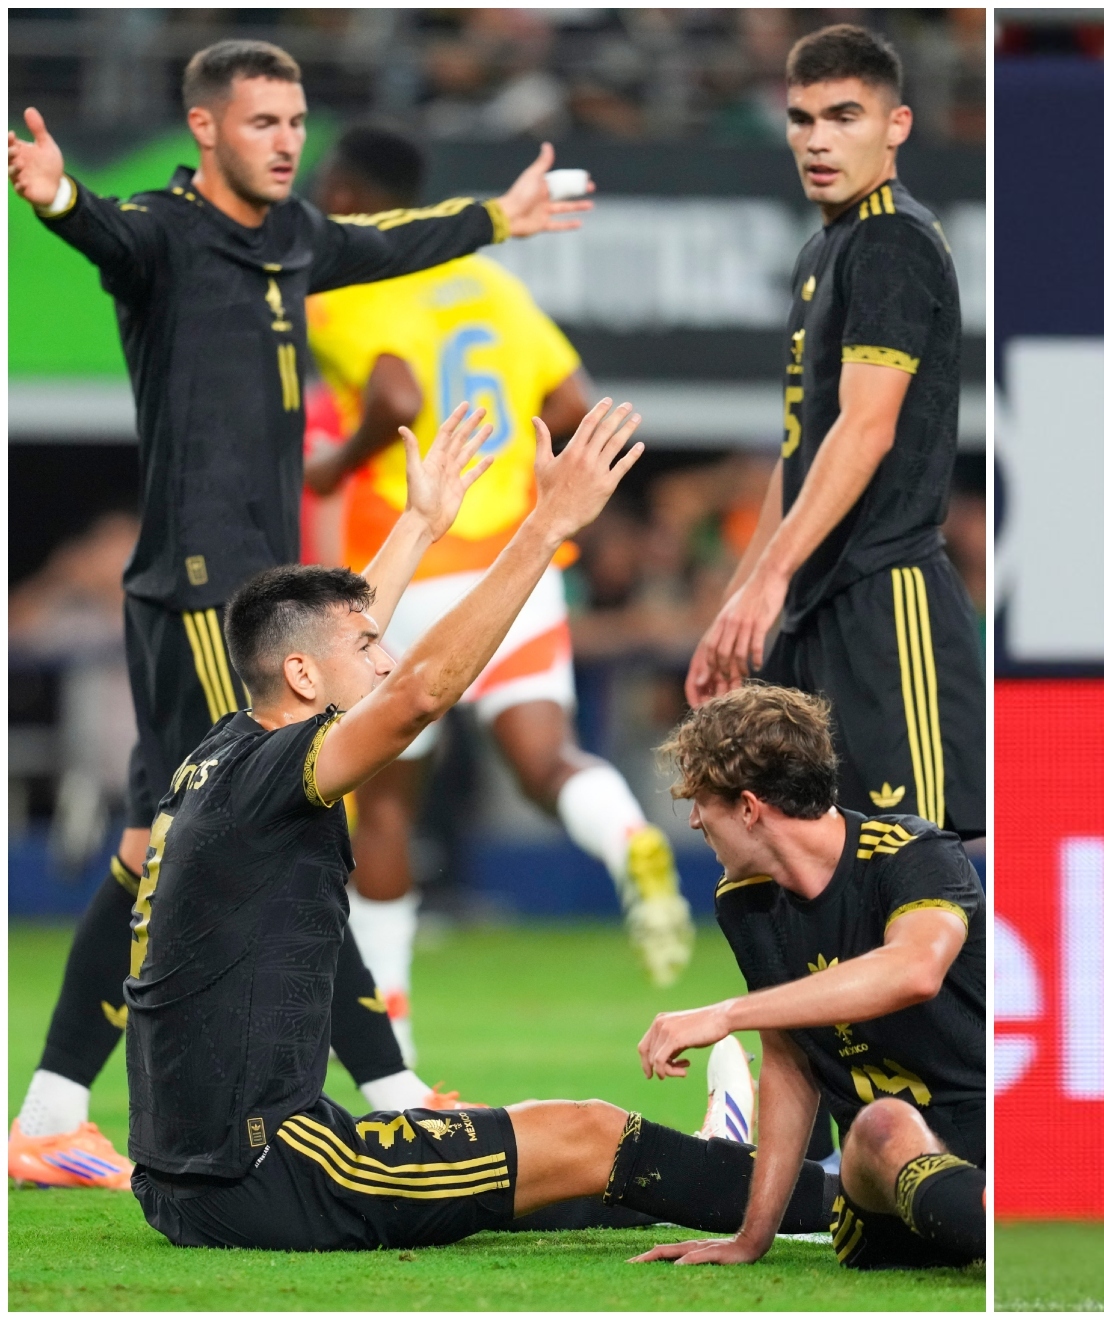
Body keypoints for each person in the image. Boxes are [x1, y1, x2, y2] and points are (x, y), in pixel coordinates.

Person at [5, 37, 590, 1188]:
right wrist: (60, 195)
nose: (286, 142)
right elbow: (99, 230)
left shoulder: (293, 243)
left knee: (152, 850)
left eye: (295, 121)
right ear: (206, 129)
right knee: (291, 829)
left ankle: (49, 1113)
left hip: (251, 592)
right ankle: (394, 1091)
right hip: (195, 591)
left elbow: (382, 242)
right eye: (262, 121)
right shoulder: (166, 236)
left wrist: (494, 221)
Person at [125, 400, 838, 1252]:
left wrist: (420, 527)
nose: (385, 656)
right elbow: (419, 693)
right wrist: (546, 526)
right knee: (588, 1130)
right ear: (305, 675)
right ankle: (829, 1198)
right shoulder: (282, 770)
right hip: (271, 1169)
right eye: (370, 647)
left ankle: (719, 1164)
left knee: (545, 1161)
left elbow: (341, 645)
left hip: (180, 1178)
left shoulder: (229, 751)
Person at [303, 126, 693, 1060]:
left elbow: (395, 396)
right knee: (546, 757)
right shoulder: (493, 284)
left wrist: (337, 467)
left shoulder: (347, 287)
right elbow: (570, 406)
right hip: (517, 568)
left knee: (387, 802)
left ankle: (389, 1032)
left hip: (409, 568)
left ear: (351, 195)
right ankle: (630, 835)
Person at [686, 24, 984, 844]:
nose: (817, 140)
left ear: (897, 127)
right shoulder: (826, 248)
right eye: (802, 118)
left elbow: (867, 427)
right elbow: (802, 456)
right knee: (799, 855)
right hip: (817, 605)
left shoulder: (891, 238)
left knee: (921, 861)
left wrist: (769, 581)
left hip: (888, 598)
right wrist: (739, 598)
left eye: (844, 116)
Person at [629, 683, 985, 1269]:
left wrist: (725, 1015)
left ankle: (982, 1218)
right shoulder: (744, 903)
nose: (693, 821)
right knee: (881, 1123)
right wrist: (752, 1237)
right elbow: (790, 1064)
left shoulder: (914, 855)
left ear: (748, 807)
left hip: (987, 1134)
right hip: (878, 1186)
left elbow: (914, 969)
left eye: (701, 802)